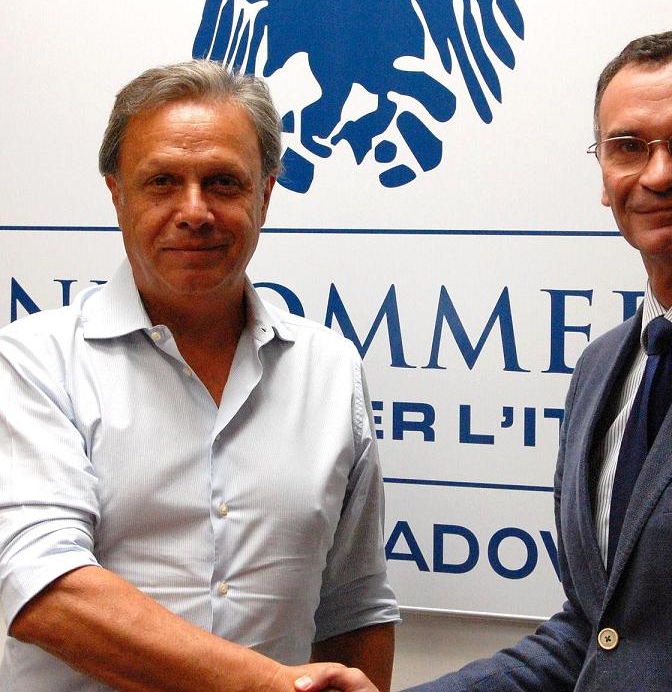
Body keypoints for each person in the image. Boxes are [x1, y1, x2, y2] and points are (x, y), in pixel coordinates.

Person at [298, 29, 672, 692]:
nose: (660, 174)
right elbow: (595, 634)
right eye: (629, 147)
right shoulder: (602, 368)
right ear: (605, 176)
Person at [0, 60, 399, 691]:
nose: (194, 211)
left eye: (223, 183)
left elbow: (354, 602)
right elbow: (44, 590)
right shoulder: (32, 362)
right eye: (162, 181)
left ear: (265, 195)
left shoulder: (330, 368)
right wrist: (266, 686)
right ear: (117, 194)